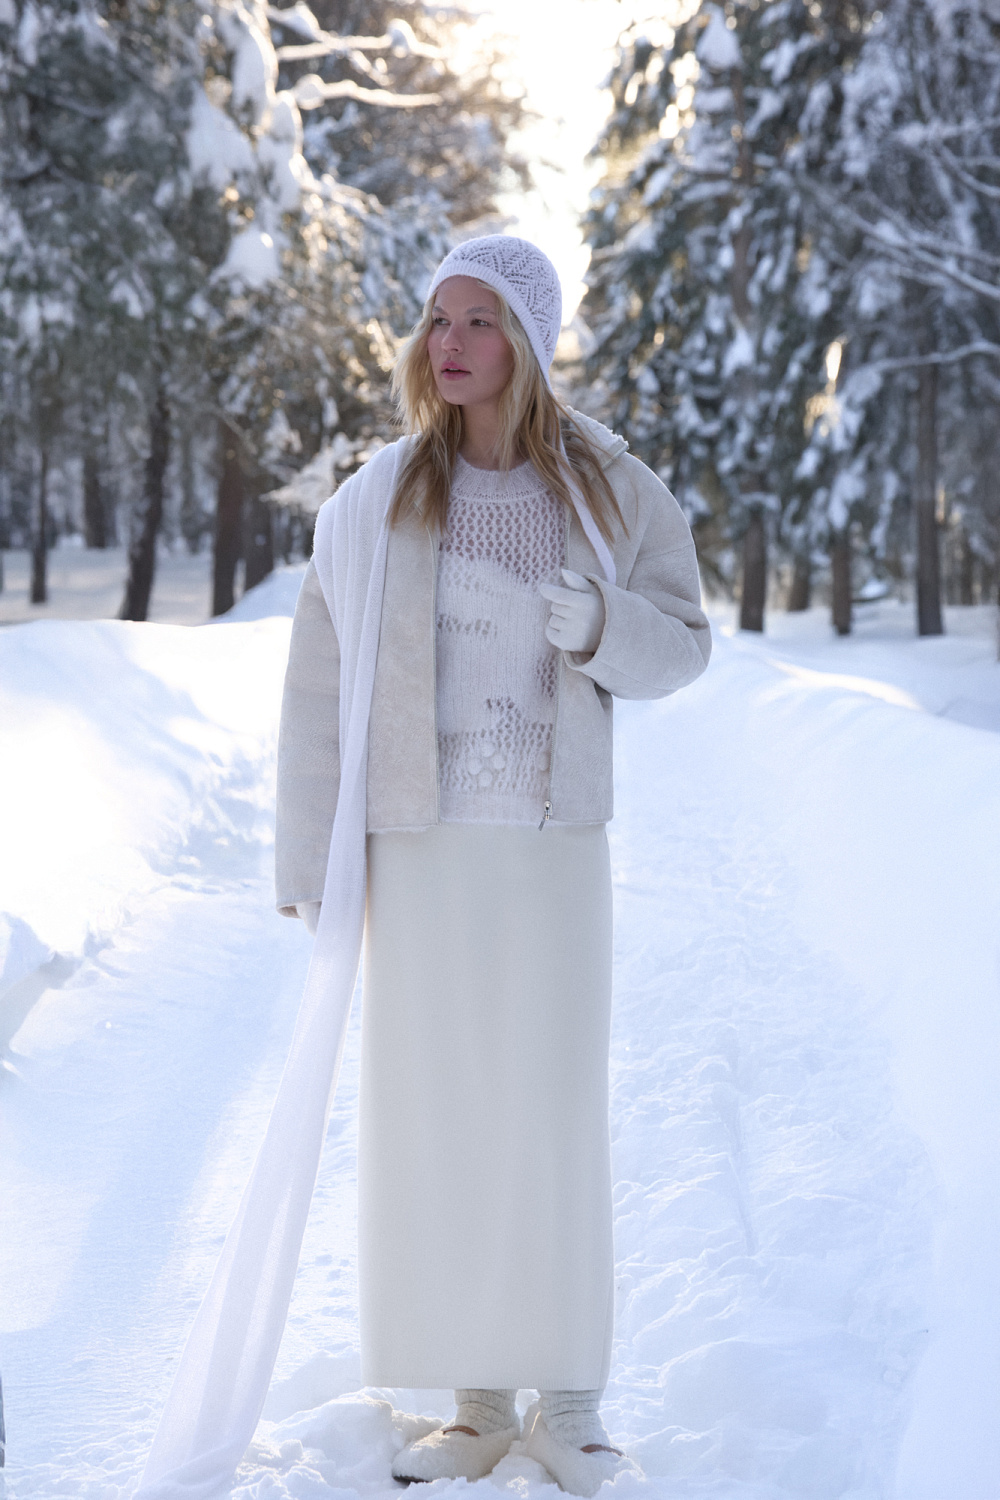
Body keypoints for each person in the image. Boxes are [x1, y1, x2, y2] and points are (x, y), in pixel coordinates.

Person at [274, 235, 711, 1495]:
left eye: (479, 320)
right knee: (439, 1120)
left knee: (548, 1118)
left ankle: (567, 1408)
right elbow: (317, 680)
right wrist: (310, 852)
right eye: (437, 319)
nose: (450, 343)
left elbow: (684, 643)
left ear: (527, 339)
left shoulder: (613, 488)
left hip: (550, 849)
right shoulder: (380, 496)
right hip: (417, 849)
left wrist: (603, 627)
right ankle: (475, 1405)